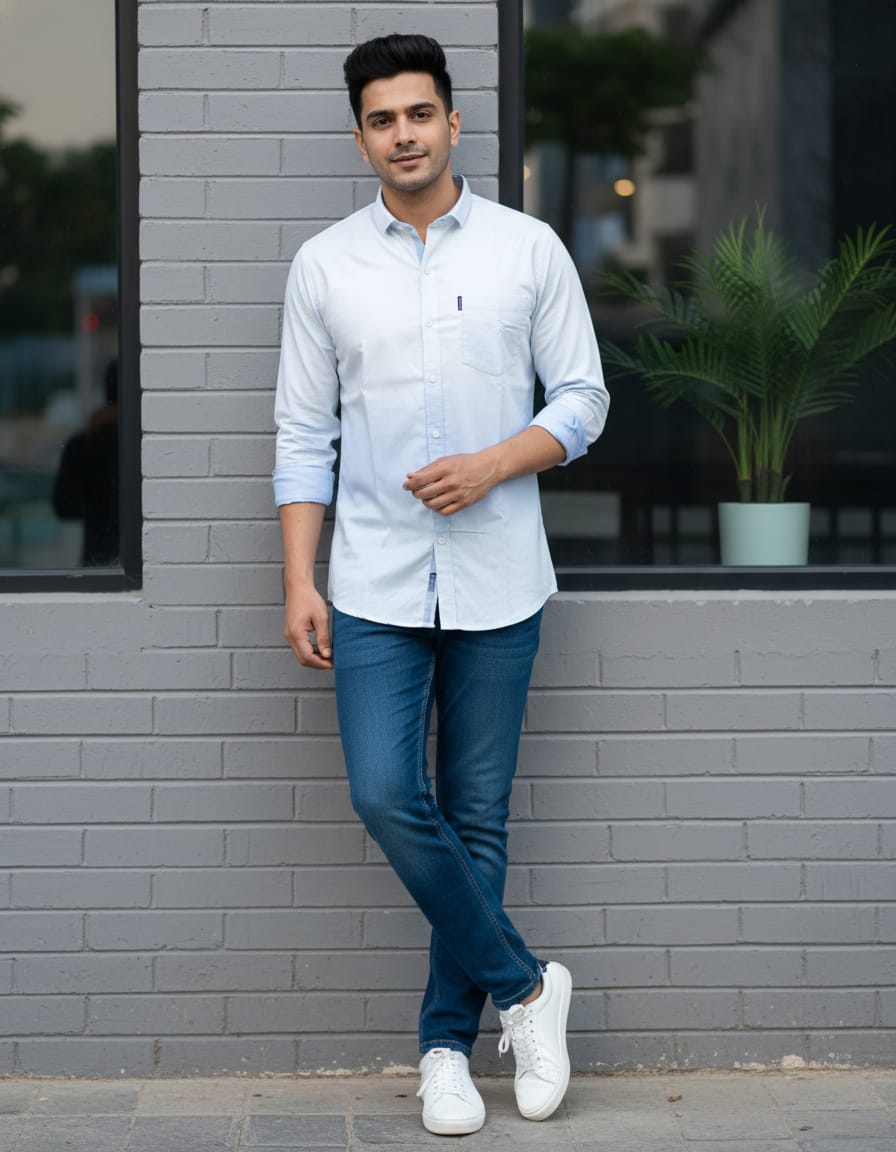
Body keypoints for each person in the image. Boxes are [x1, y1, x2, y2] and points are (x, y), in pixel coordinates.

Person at [273, 33, 608, 1136]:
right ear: (359, 134)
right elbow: (302, 433)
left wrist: (492, 465)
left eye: (420, 114)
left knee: (474, 817)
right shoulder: (324, 265)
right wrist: (299, 580)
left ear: (453, 123)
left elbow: (581, 398)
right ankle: (525, 989)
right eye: (381, 118)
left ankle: (442, 1052)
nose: (403, 134)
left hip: (498, 579)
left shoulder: (527, 250)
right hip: (368, 580)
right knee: (383, 794)